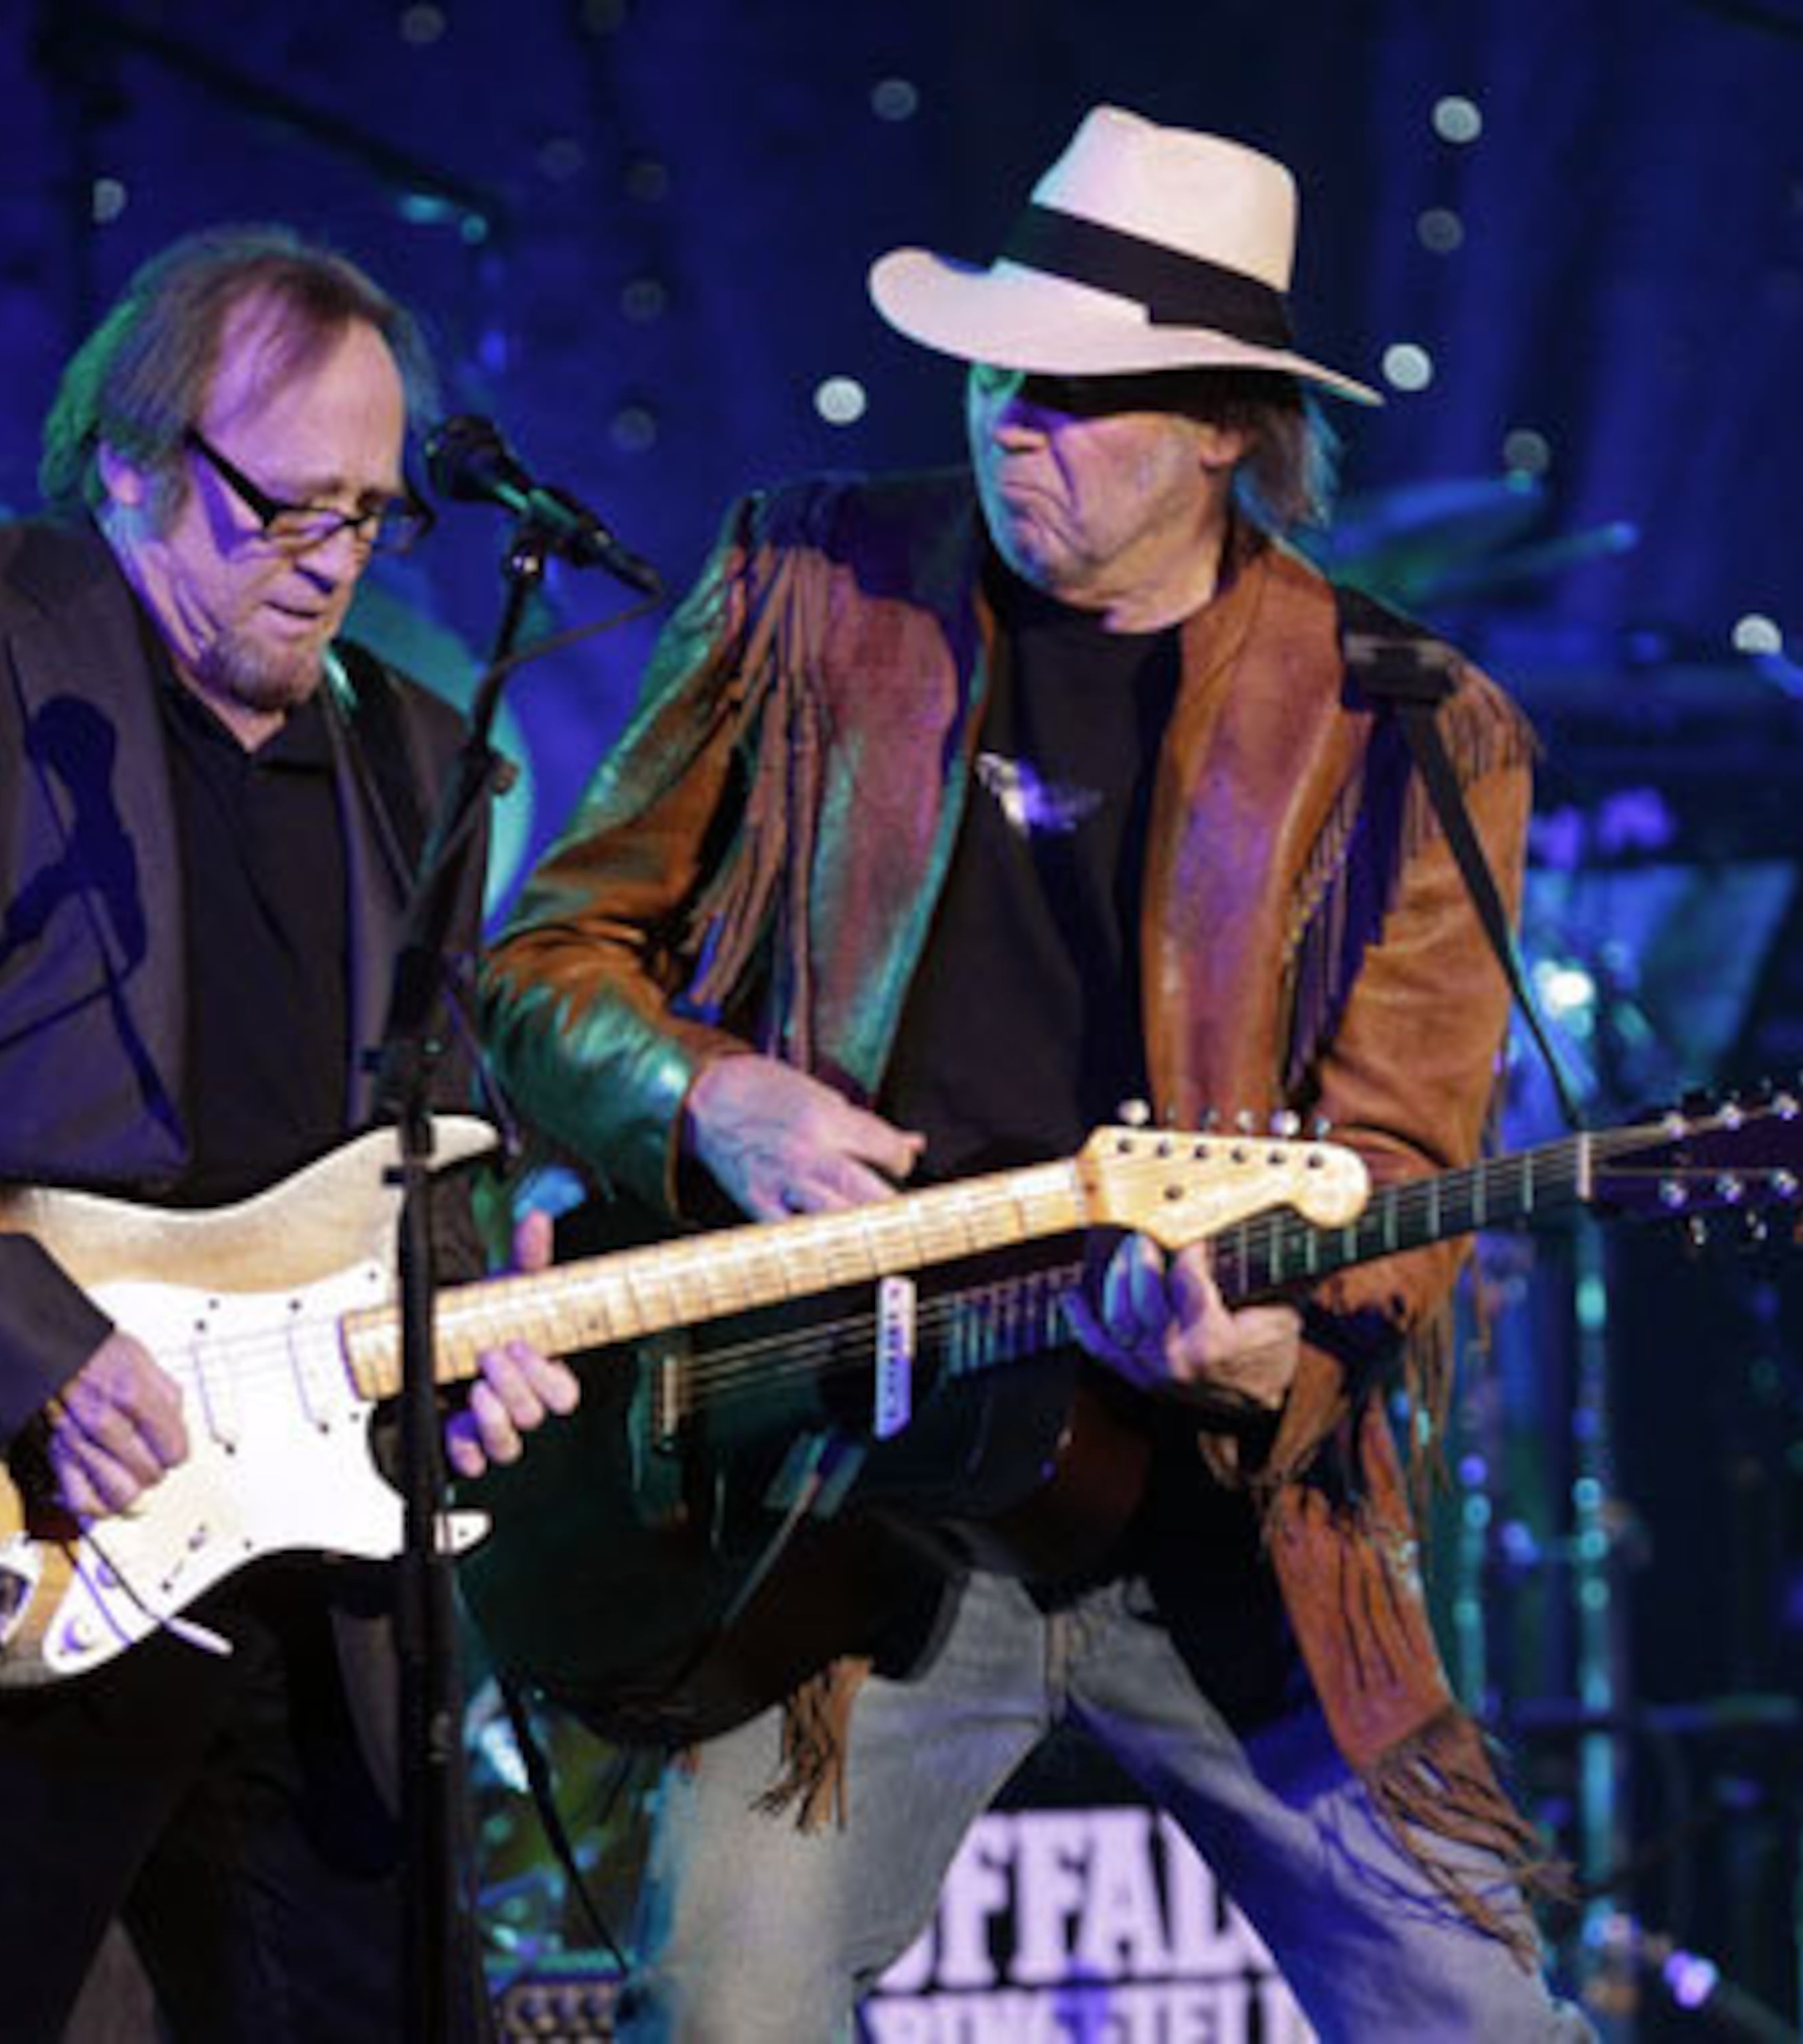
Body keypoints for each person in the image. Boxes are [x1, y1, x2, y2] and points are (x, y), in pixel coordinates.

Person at [480, 109, 1591, 2038]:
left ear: (1228, 422)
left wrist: (1276, 1347)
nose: (1013, 421)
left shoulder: (1410, 727)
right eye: (1000, 369)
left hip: (1228, 1521)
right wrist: (706, 1095)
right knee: (722, 1999)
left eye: (1078, 395)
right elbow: (543, 961)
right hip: (856, 1489)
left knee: (1480, 2013)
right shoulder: (811, 590)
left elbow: (1400, 1169)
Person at [0, 224, 576, 2039]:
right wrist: (32, 1354)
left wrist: (466, 1326)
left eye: (375, 514)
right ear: (132, 458)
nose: (330, 559)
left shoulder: (417, 756)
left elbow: (421, 1140)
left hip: (316, 1602)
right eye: (283, 503)